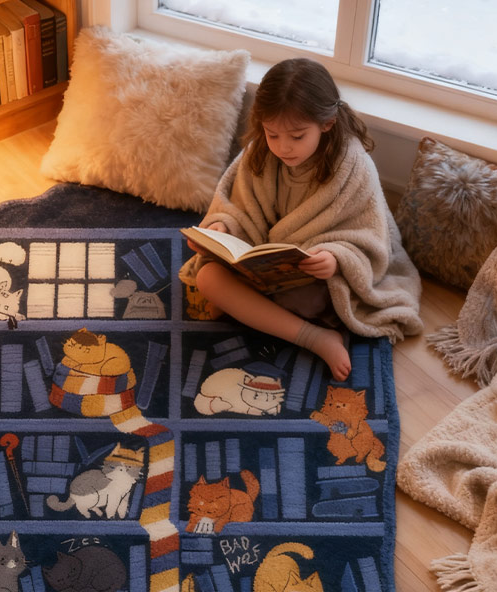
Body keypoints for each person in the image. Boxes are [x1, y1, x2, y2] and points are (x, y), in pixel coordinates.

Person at [180, 58, 423, 381]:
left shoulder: (353, 166)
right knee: (208, 277)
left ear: (327, 123)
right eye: (272, 134)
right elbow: (237, 207)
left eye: (297, 136)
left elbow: (369, 236)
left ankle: (313, 337)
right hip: (265, 266)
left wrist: (335, 259)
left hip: (313, 278)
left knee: (308, 299)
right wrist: (222, 229)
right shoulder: (259, 153)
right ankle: (268, 314)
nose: (283, 147)